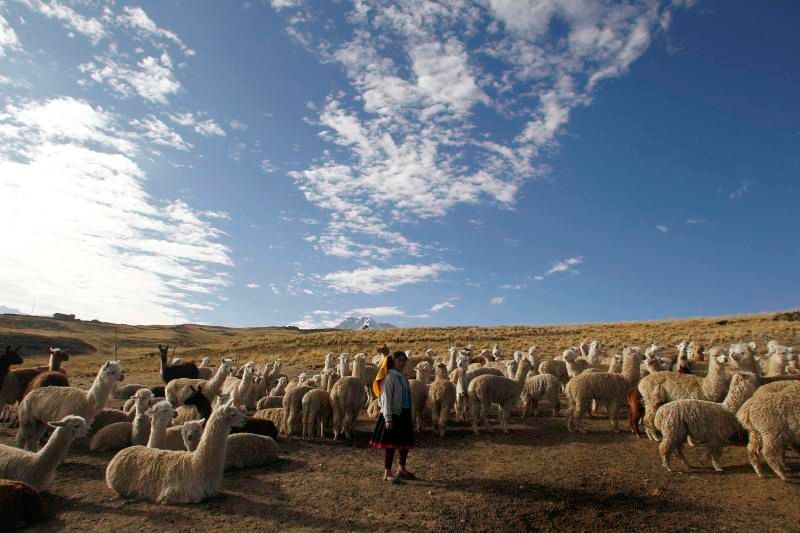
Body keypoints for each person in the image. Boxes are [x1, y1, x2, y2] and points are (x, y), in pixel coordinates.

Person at [370, 350, 416, 483]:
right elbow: (385, 398)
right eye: (399, 360)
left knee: (404, 443)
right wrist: (388, 418)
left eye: (403, 360)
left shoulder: (402, 376)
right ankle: (387, 472)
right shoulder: (390, 377)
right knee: (390, 444)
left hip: (404, 412)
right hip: (393, 414)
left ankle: (402, 468)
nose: (401, 363)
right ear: (393, 361)